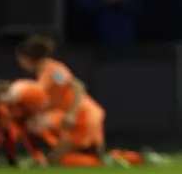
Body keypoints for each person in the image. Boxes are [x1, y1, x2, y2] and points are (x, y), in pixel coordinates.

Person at [14, 35, 129, 167]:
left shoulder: (53, 70)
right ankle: (128, 158)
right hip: (86, 115)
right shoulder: (45, 71)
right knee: (88, 155)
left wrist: (72, 114)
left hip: (83, 116)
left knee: (56, 161)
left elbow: (77, 86)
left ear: (26, 58)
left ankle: (110, 161)